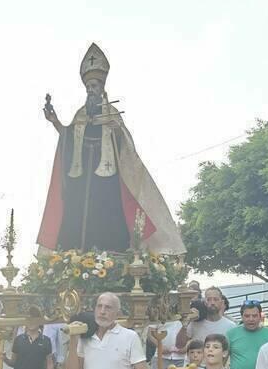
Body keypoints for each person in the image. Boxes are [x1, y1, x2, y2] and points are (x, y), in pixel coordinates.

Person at [37, 43, 185, 254]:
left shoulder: (112, 112)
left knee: (109, 214)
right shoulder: (81, 114)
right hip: (82, 179)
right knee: (77, 214)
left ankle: (113, 253)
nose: (90, 90)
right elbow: (69, 137)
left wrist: (117, 131)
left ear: (102, 88)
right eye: (88, 87)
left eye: (94, 87)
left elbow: (126, 148)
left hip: (108, 180)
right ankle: (76, 254)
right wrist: (55, 122)